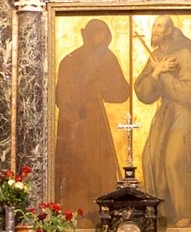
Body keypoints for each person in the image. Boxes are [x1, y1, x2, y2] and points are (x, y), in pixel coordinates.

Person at [53, 18, 133, 217]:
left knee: (99, 169)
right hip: (76, 129)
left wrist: (105, 87)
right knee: (77, 170)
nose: (102, 41)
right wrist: (87, 90)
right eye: (99, 35)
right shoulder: (70, 60)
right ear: (88, 35)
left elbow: (122, 92)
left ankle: (100, 212)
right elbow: (63, 98)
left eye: (105, 36)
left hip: (97, 127)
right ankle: (75, 212)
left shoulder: (107, 58)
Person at [132, 16, 191, 219]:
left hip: (184, 115)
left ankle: (185, 215)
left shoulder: (184, 53)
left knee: (174, 161)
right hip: (165, 115)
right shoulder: (157, 56)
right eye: (154, 26)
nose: (155, 30)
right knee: (150, 159)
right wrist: (156, 73)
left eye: (159, 26)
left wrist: (163, 75)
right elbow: (144, 93)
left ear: (169, 30)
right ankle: (161, 216)